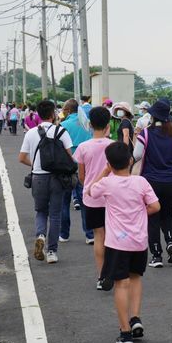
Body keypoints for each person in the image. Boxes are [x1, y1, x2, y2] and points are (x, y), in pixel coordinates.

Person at [88, 142, 160, 343]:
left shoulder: (108, 183)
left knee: (121, 283)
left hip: (117, 242)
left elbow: (91, 191)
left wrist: (104, 171)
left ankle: (125, 333)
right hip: (139, 241)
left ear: (109, 163)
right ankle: (135, 318)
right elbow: (155, 206)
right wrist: (140, 214)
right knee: (136, 278)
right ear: (130, 160)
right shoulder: (141, 182)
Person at [19, 100, 73, 264]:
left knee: (41, 211)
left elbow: (21, 158)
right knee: (55, 215)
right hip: (57, 178)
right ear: (53, 114)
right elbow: (70, 157)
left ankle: (40, 235)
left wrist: (36, 163)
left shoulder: (31, 133)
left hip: (38, 178)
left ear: (38, 115)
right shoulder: (61, 131)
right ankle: (52, 252)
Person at [133, 99, 172, 267]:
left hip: (151, 182)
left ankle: (156, 255)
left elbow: (137, 155)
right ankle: (170, 240)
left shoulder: (145, 134)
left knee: (153, 217)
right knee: (168, 214)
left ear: (152, 116)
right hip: (171, 180)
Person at [74, 107, 114, 289]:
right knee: (113, 236)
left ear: (90, 125)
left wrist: (89, 187)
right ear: (108, 125)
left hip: (91, 197)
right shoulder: (113, 146)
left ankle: (101, 277)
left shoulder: (83, 147)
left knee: (99, 236)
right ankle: (115, 272)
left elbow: (81, 176)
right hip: (113, 197)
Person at [59, 99, 95, 245]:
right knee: (85, 200)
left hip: (66, 167)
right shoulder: (87, 125)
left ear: (67, 110)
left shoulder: (63, 125)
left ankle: (64, 234)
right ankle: (90, 234)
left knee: (64, 201)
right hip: (83, 166)